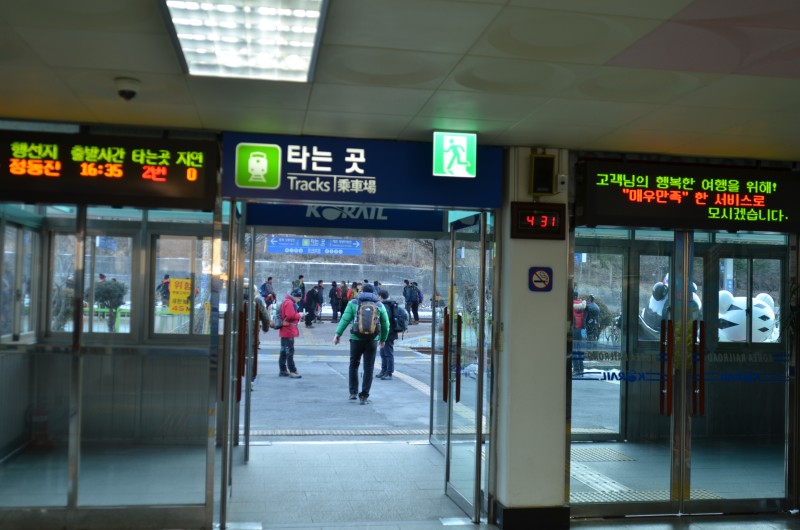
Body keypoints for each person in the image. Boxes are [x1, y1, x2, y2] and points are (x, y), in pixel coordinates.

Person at [333, 283, 390, 404]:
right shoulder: (379, 305)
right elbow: (386, 324)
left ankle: (353, 392)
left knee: (353, 365)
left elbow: (345, 319)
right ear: (374, 292)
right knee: (368, 367)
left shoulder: (353, 303)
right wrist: (383, 339)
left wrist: (338, 334)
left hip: (356, 338)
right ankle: (364, 396)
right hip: (372, 340)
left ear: (362, 291)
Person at [278, 288, 304, 378]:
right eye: (299, 298)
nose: (299, 300)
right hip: (288, 330)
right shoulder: (289, 303)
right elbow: (290, 316)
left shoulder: (286, 301)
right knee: (290, 351)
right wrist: (299, 315)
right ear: (295, 297)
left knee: (283, 351)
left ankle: (283, 370)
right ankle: (292, 370)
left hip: (284, 330)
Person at [376, 289, 398, 380]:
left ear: (380, 296)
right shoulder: (387, 305)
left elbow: (385, 321)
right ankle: (384, 370)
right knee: (383, 352)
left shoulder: (385, 306)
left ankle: (389, 373)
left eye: (378, 296)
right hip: (387, 333)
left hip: (389, 333)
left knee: (388, 353)